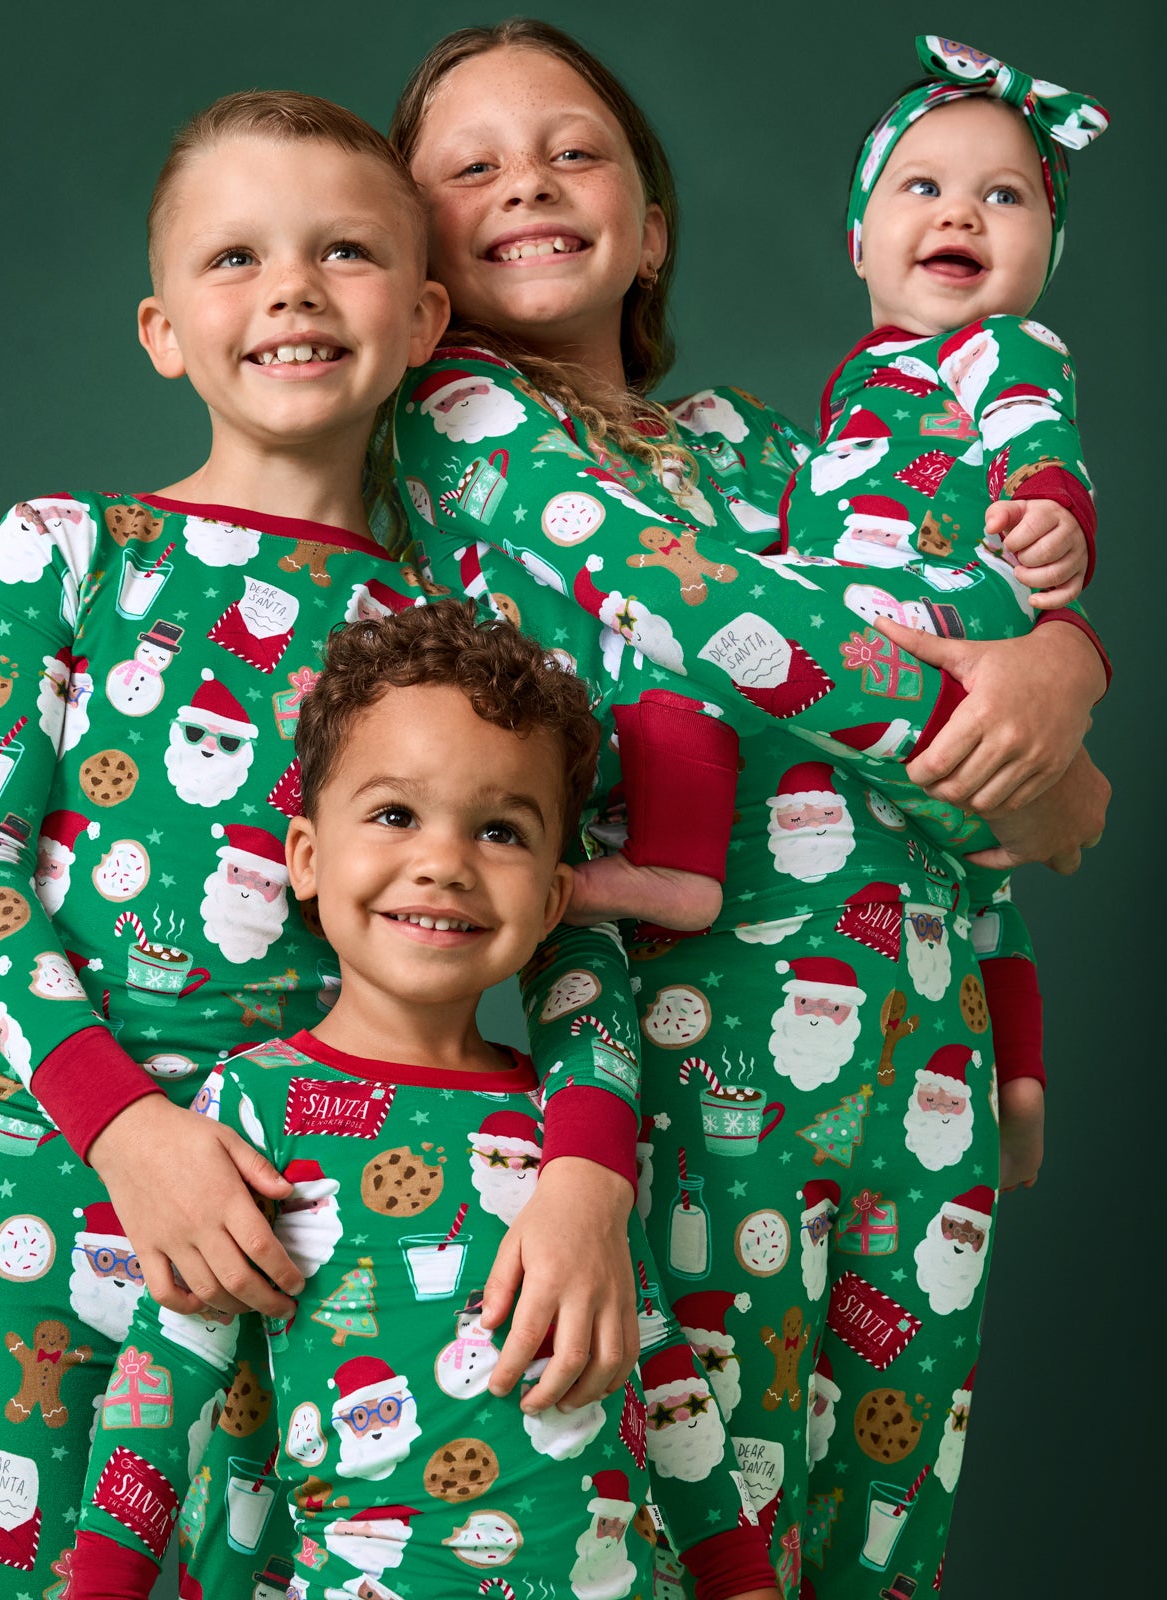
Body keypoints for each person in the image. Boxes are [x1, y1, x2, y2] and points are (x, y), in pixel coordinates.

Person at [387, 20, 1110, 1596]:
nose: (532, 182)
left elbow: (955, 582)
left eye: (578, 149)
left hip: (928, 1038)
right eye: (474, 163)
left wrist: (1063, 667)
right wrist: (1006, 728)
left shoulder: (757, 446)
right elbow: (720, 617)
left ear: (652, 223)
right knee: (723, 1531)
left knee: (888, 1529)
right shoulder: (461, 428)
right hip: (692, 1060)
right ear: (419, 248)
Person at [0, 90, 650, 1600]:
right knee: (61, 1566)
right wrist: (122, 1128)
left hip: (340, 1203)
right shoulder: (68, 548)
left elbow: (569, 915)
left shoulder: (458, 634)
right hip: (70, 1176)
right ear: (161, 329)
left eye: (343, 253)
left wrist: (590, 1178)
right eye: (235, 259)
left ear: (427, 309)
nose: (293, 293)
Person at [68, 599, 782, 1600]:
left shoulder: (573, 1138)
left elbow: (656, 1366)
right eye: (395, 813)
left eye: (498, 829)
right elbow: (165, 1377)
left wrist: (736, 1573)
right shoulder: (255, 1105)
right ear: (306, 857)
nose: (443, 862)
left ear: (549, 898)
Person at [773, 35, 1110, 1193]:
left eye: (1002, 196)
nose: (958, 212)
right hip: (891, 639)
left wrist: (1052, 514)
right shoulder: (863, 378)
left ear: (1044, 255)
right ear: (860, 240)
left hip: (944, 606)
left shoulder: (1001, 346)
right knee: (974, 876)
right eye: (922, 186)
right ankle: (1016, 1080)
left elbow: (1033, 434)